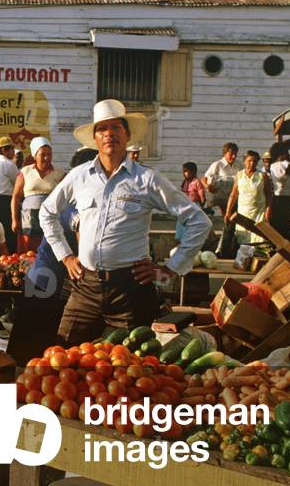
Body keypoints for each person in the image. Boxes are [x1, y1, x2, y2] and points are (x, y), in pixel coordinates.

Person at [40, 99, 211, 345]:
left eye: (116, 128)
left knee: (131, 366)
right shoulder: (79, 177)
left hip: (130, 290)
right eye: (103, 129)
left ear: (127, 135)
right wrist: (66, 256)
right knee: (65, 354)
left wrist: (169, 268)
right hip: (85, 286)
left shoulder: (147, 179)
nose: (109, 134)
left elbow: (198, 221)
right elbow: (47, 212)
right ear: (95, 138)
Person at [6, 146, 98, 364]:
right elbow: (80, 231)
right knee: (30, 344)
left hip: (52, 281)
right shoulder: (72, 204)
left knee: (41, 346)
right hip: (44, 281)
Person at [11, 137, 65, 254]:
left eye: (49, 154)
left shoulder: (59, 173)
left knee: (49, 249)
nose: (47, 158)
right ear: (35, 155)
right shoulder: (25, 172)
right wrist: (14, 219)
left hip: (51, 218)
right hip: (28, 219)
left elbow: (67, 197)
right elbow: (16, 197)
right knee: (28, 253)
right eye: (43, 154)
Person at [225, 150, 273, 246]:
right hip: (243, 212)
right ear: (244, 161)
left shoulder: (262, 176)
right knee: (244, 239)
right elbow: (233, 195)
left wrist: (268, 210)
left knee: (259, 239)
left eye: (255, 161)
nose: (252, 163)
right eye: (249, 161)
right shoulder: (240, 176)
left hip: (258, 213)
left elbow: (269, 195)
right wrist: (228, 212)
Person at [204, 142, 240, 257]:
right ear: (225, 153)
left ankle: (225, 249)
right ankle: (223, 250)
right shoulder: (217, 164)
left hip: (235, 197)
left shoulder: (239, 165)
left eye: (235, 154)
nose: (233, 156)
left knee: (232, 223)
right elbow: (204, 178)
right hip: (222, 199)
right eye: (231, 154)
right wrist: (208, 186)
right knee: (228, 220)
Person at [268, 141, 290, 241]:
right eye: (286, 152)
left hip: (285, 197)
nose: (287, 154)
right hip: (285, 198)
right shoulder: (279, 165)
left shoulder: (276, 165)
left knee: (284, 225)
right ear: (281, 153)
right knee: (287, 224)